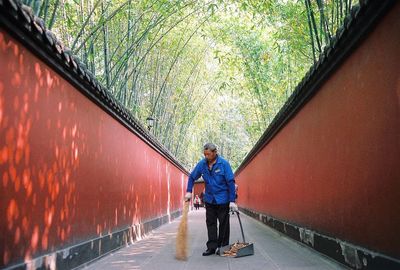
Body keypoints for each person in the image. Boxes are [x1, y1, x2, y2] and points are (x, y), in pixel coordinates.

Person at [185, 143, 237, 256]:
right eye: (205, 154)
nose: (206, 156)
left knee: (224, 224)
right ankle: (212, 247)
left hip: (223, 199)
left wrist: (232, 201)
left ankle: (223, 247)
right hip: (209, 199)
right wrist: (189, 191)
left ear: (214, 152)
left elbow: (230, 182)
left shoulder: (224, 164)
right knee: (210, 223)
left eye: (208, 154)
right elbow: (192, 176)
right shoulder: (202, 164)